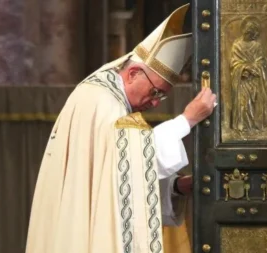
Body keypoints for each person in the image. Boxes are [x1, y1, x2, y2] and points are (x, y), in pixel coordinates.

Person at [25, 4, 216, 253]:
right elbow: (127, 159)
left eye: (162, 97)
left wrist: (175, 187)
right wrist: (187, 120)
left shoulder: (105, 96)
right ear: (134, 73)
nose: (156, 102)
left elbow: (118, 179)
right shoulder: (101, 100)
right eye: (155, 91)